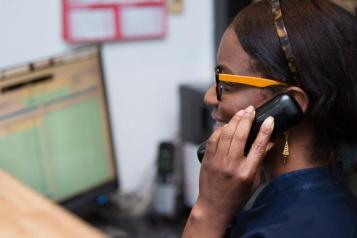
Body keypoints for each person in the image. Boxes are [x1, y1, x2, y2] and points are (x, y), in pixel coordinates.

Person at [182, 0, 357, 237]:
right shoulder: (316, 193)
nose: (209, 96)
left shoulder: (290, 229)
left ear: (290, 105)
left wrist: (208, 212)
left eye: (228, 83)